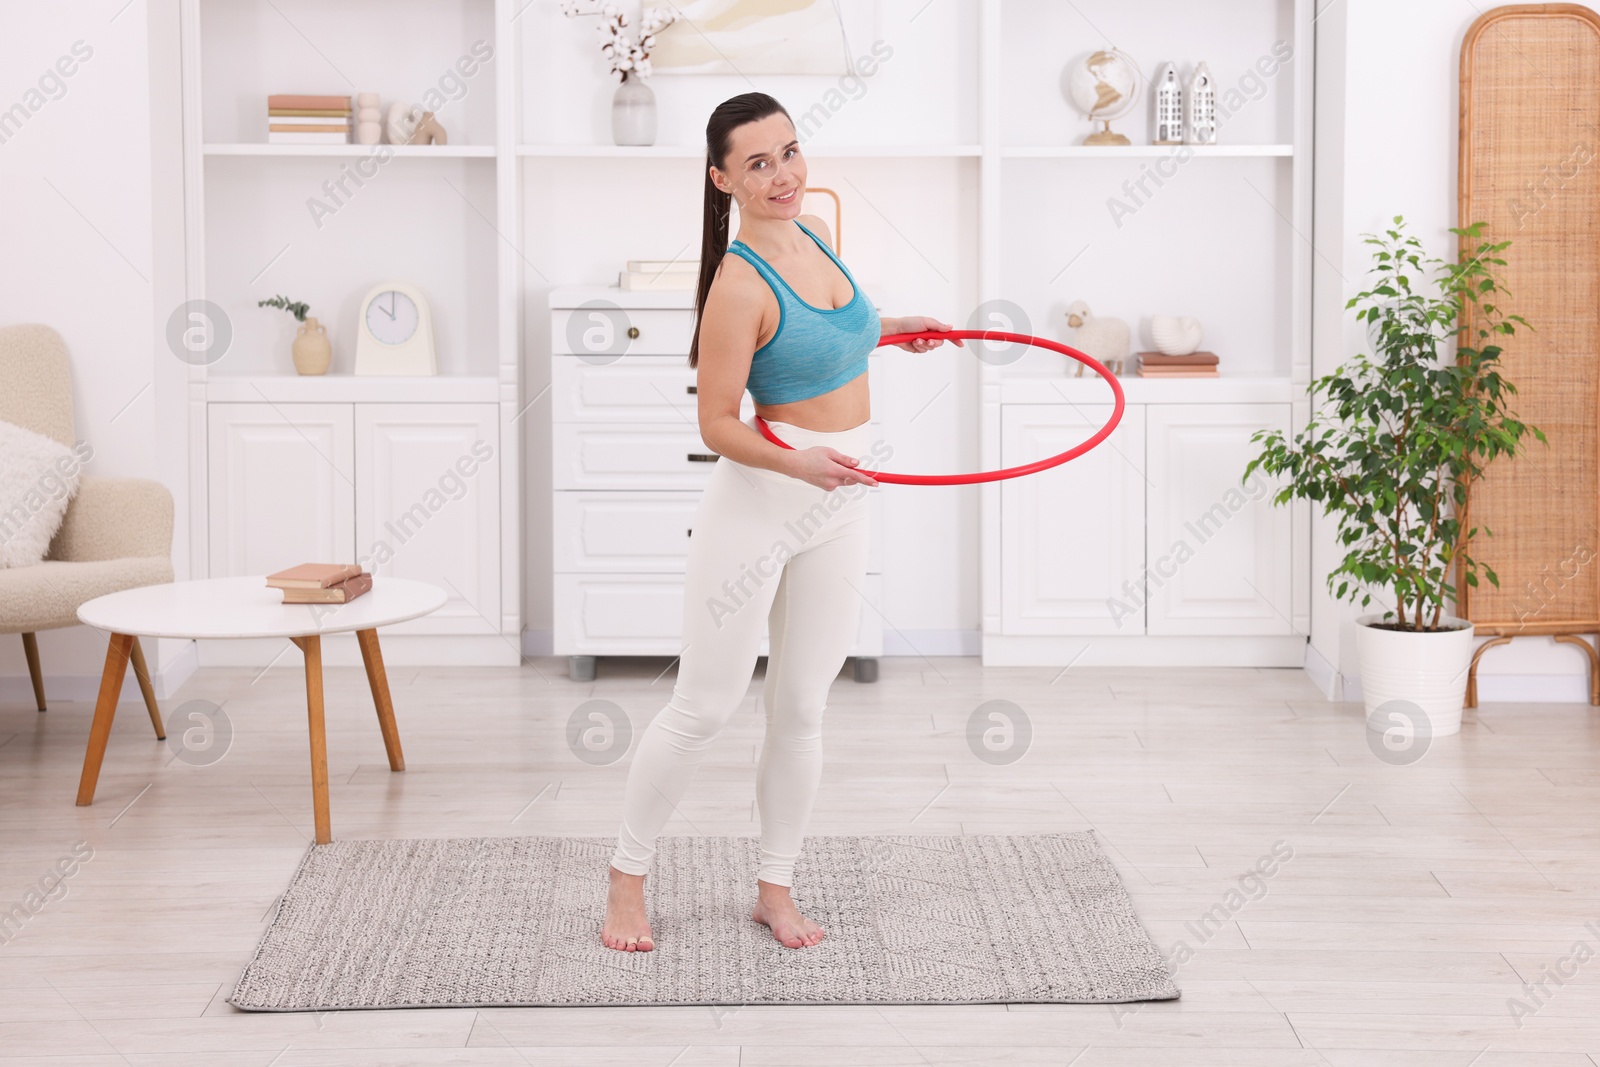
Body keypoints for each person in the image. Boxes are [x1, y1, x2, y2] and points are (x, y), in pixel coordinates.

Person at [600, 91, 961, 953]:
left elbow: (839, 334)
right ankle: (625, 880)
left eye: (790, 152)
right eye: (757, 164)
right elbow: (718, 422)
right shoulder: (736, 283)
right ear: (723, 179)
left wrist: (896, 327)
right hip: (762, 505)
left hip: (840, 502)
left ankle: (776, 886)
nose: (782, 174)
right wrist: (798, 462)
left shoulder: (817, 236)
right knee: (706, 705)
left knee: (802, 705)